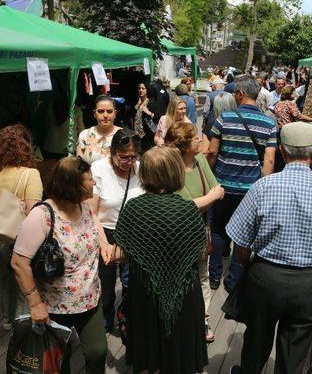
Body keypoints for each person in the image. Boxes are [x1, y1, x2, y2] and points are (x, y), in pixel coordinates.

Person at [226, 122, 312, 374]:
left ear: (283, 152)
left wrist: (251, 265)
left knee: (256, 341)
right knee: (295, 353)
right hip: (309, 283)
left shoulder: (262, 187)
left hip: (265, 277)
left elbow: (239, 243)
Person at [112, 146, 208, 373]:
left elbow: (120, 254)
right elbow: (201, 253)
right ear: (176, 172)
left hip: (144, 293)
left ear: (144, 173)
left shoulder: (133, 208)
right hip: (183, 293)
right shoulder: (187, 209)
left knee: (147, 355)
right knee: (180, 354)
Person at [11, 157, 110, 373]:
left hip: (90, 300)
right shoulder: (42, 215)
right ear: (71, 185)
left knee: (97, 352)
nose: (94, 183)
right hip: (53, 307)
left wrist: (104, 244)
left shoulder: (84, 206)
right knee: (57, 363)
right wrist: (35, 303)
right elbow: (19, 263)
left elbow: (95, 224)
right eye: (89, 179)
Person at [206, 75, 277, 292]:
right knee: (244, 235)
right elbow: (270, 160)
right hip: (251, 191)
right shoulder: (269, 123)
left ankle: (215, 275)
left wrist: (210, 179)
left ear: (239, 94)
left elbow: (212, 152)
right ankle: (234, 279)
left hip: (222, 188)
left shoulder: (224, 119)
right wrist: (262, 188)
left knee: (218, 230)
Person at [165, 122, 225, 343]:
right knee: (178, 275)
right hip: (176, 232)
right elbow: (180, 205)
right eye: (195, 138)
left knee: (202, 275)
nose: (200, 140)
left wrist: (202, 201)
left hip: (199, 228)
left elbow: (217, 190)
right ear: (183, 144)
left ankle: (203, 319)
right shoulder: (170, 167)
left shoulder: (200, 160)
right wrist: (207, 199)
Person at [0, 124, 43, 331]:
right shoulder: (30, 174)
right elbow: (33, 211)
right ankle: (22, 327)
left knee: (6, 277)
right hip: (20, 239)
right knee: (23, 282)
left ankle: (7, 320)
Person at [89, 129, 145, 332]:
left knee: (131, 283)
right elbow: (91, 212)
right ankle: (105, 322)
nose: (129, 162)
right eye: (123, 157)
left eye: (133, 157)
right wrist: (104, 244)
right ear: (112, 152)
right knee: (106, 284)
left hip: (133, 234)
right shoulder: (98, 169)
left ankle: (127, 320)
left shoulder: (140, 169)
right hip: (105, 232)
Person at [77, 95, 121, 164]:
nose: (105, 115)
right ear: (94, 113)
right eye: (100, 111)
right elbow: (79, 165)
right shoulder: (84, 135)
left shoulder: (124, 135)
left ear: (115, 114)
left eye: (109, 111)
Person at [133, 82, 159, 151]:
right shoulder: (137, 102)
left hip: (147, 135)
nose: (140, 90)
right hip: (137, 135)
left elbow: (158, 118)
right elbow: (131, 115)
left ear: (147, 90)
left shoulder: (151, 102)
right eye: (139, 88)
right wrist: (137, 105)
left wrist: (149, 113)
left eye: (143, 88)